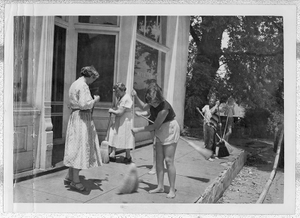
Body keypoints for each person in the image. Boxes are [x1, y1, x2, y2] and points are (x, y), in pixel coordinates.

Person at [131, 83, 180, 199]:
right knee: (159, 160)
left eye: (155, 102)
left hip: (169, 129)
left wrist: (137, 130)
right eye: (151, 102)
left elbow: (154, 126)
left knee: (168, 161)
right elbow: (143, 107)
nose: (153, 105)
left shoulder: (164, 108)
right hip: (160, 129)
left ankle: (172, 189)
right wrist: (136, 96)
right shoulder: (152, 102)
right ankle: (160, 186)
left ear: (159, 97)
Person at [63, 66, 102, 192]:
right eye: (93, 79)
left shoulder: (74, 84)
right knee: (80, 147)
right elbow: (84, 104)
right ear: (90, 76)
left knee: (75, 146)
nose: (92, 82)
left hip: (75, 116)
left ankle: (70, 176)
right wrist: (95, 100)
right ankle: (75, 181)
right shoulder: (83, 85)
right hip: (82, 118)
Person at [108, 82, 135, 164]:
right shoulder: (120, 97)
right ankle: (112, 154)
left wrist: (112, 111)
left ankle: (128, 156)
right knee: (114, 134)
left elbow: (120, 112)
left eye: (117, 91)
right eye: (115, 91)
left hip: (125, 120)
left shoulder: (126, 98)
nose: (116, 93)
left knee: (125, 137)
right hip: (119, 120)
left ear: (122, 90)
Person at [202, 95, 220, 160]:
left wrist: (219, 122)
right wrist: (216, 105)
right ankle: (208, 155)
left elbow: (218, 114)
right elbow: (211, 112)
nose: (211, 102)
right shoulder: (210, 108)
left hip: (214, 126)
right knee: (209, 140)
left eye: (212, 101)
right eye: (210, 101)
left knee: (213, 141)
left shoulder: (216, 108)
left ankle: (212, 154)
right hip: (209, 125)